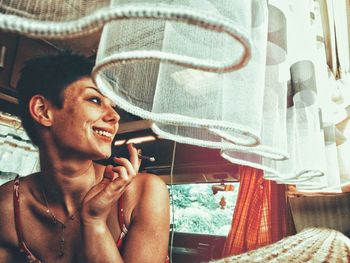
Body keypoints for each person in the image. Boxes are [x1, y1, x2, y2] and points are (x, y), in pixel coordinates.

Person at [0, 51, 170, 263]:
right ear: (43, 111)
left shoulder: (143, 192)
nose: (115, 116)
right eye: (95, 100)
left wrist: (95, 222)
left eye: (113, 106)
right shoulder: (7, 205)